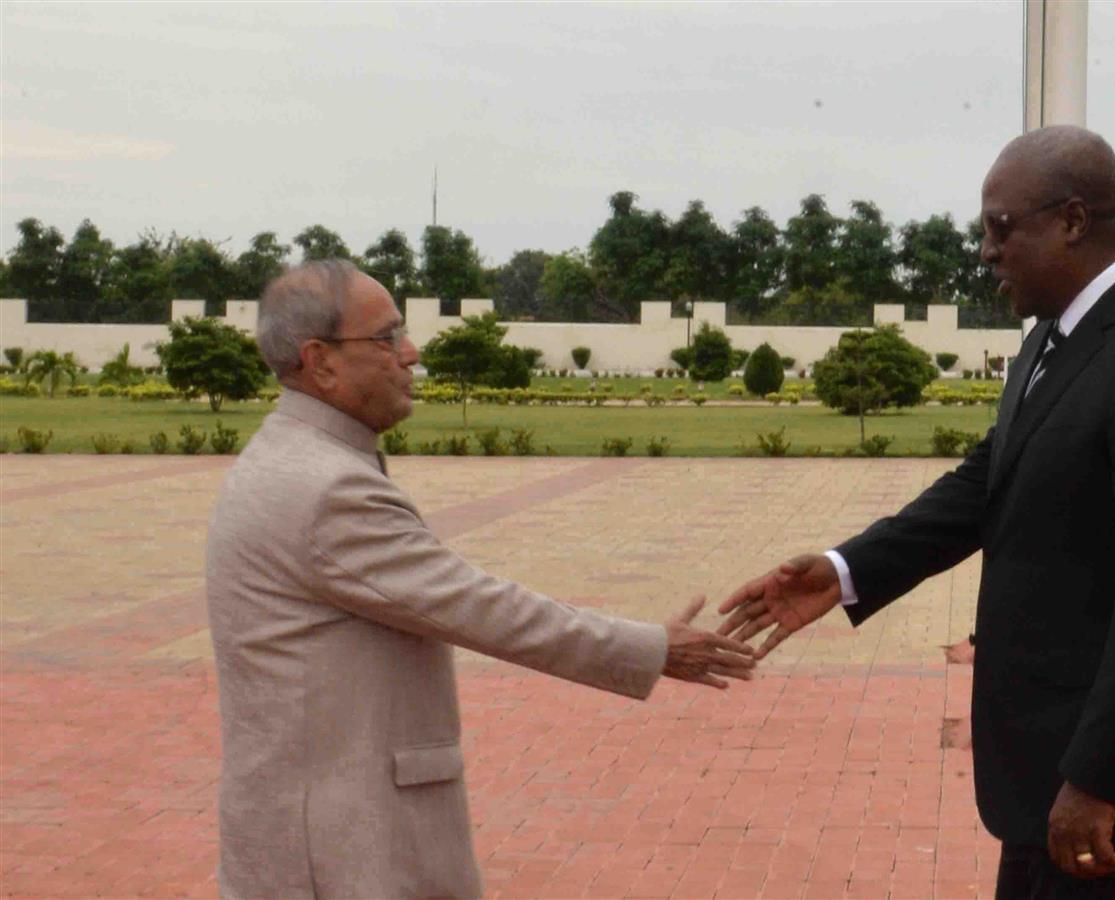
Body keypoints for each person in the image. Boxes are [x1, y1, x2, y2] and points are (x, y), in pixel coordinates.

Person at [720, 126, 1115, 899]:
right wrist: (846, 572)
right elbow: (989, 481)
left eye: (1000, 227)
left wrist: (1099, 777)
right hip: (1051, 765)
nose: (985, 251)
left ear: (1072, 221)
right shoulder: (1056, 335)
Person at [207, 259, 756, 899]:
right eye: (386, 339)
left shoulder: (293, 457)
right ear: (320, 360)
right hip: (343, 850)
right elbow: (482, 608)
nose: (410, 353)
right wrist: (652, 648)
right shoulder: (326, 488)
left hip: (312, 831)